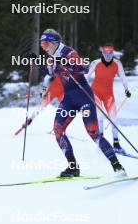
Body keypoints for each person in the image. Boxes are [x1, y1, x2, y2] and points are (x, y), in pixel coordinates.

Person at [40, 29, 126, 177]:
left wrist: (66, 62)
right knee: (58, 130)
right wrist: (36, 62)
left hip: (84, 97)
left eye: (45, 43)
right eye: (41, 45)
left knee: (93, 133)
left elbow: (83, 69)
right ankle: (73, 167)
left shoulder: (69, 52)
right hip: (69, 100)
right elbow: (50, 74)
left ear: (54, 43)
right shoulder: (51, 57)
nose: (44, 47)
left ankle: (117, 166)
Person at [86, 44, 131, 152]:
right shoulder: (96, 63)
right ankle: (101, 141)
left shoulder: (117, 64)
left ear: (112, 54)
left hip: (108, 94)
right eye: (106, 54)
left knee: (113, 118)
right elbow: (86, 76)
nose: (108, 57)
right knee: (100, 116)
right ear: (102, 53)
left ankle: (116, 143)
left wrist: (127, 89)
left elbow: (123, 78)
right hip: (95, 93)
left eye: (110, 54)